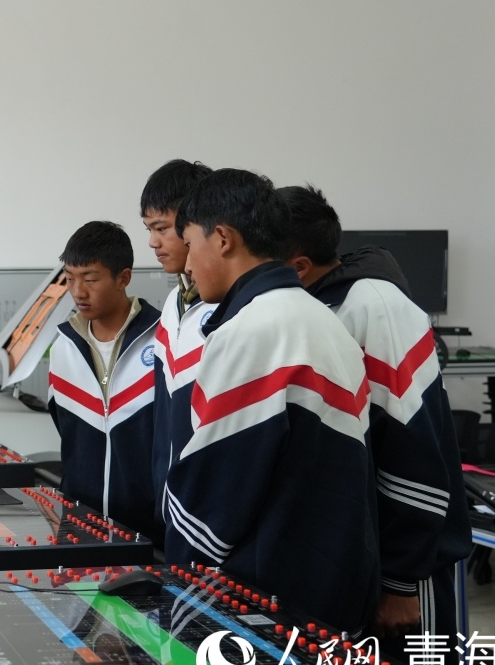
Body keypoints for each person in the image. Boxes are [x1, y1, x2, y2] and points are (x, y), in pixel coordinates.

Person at [164, 170, 379, 633]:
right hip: (330, 582)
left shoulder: (254, 329)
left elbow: (216, 490)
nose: (188, 264)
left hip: (262, 597)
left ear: (223, 238)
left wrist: (176, 582)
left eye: (191, 244)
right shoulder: (318, 317)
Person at [279, 184, 471, 658]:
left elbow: (414, 445)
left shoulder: (374, 305)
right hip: (350, 559)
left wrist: (400, 581)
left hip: (401, 569)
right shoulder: (311, 306)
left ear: (298, 265)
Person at [47, 221, 162, 540]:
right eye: (70, 279)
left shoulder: (163, 341)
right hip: (80, 527)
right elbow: (66, 430)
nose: (78, 292)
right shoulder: (63, 348)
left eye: (90, 279)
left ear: (123, 278)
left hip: (149, 532)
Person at [140, 159, 214, 545]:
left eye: (161, 228)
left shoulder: (228, 310)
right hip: (172, 512)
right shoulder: (173, 304)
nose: (153, 243)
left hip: (211, 519)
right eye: (148, 230)